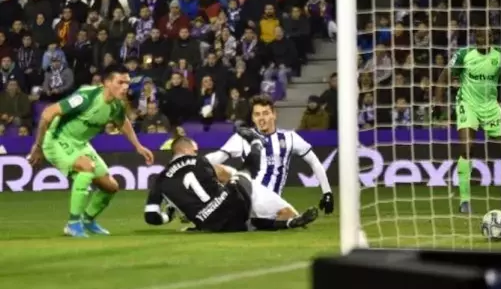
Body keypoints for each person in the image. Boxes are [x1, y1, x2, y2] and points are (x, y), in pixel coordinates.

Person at [26, 65, 154, 237]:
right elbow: (47, 114)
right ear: (107, 83)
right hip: (57, 140)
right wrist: (38, 147)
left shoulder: (116, 105)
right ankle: (72, 224)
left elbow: (122, 122)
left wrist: (138, 146)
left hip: (80, 144)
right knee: (86, 167)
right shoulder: (86, 97)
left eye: (127, 83)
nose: (125, 87)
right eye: (120, 82)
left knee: (111, 187)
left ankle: (87, 220)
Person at [435, 23, 501, 214]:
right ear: (475, 38)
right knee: (467, 147)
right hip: (468, 104)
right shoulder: (464, 54)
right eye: (479, 37)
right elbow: (443, 77)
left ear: (492, 38)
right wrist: (437, 102)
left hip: (491, 106)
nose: (483, 40)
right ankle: (464, 200)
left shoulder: (500, 55)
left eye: (487, 36)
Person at [144, 131, 318, 232]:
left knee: (249, 223)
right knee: (242, 174)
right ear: (185, 149)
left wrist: (169, 216)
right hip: (231, 204)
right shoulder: (200, 161)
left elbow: (151, 217)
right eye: (195, 149)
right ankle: (257, 143)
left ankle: (289, 223)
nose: (197, 152)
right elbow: (222, 172)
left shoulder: (159, 181)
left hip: (210, 226)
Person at [205, 95, 334, 215]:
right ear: (253, 118)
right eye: (257, 114)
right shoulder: (242, 137)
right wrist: (195, 162)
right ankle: (208, 208)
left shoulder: (289, 138)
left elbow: (314, 162)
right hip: (246, 195)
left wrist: (327, 192)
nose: (261, 118)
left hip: (270, 203)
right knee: (217, 169)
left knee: (290, 216)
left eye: (266, 113)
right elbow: (218, 156)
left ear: (274, 114)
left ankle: (216, 213)